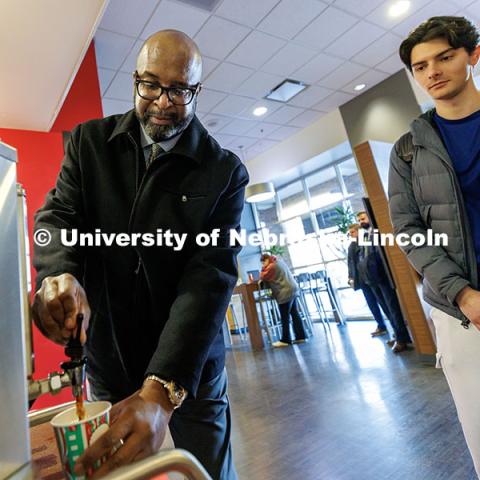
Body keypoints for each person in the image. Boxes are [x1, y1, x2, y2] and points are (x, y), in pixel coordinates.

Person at [31, 29, 248, 480]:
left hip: (188, 371)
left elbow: (209, 279)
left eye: (180, 89)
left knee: (206, 470)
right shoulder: (90, 143)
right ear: (135, 80)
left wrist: (163, 390)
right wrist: (58, 275)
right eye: (151, 84)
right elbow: (57, 220)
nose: (163, 101)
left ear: (196, 90)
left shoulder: (223, 171)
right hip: (111, 357)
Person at [388, 16, 480, 475]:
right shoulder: (408, 149)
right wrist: (464, 295)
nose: (432, 73)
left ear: (472, 55)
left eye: (445, 57)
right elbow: (407, 229)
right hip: (460, 314)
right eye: (421, 66)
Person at [356, 211, 412, 352]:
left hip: (383, 276)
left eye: (362, 218)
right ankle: (397, 334)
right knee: (386, 309)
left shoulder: (377, 233)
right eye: (359, 220)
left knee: (392, 308)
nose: (360, 222)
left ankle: (401, 338)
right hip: (372, 279)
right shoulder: (365, 236)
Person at [347, 223, 388, 337]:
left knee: (382, 302)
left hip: (371, 277)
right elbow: (351, 263)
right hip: (362, 279)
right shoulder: (352, 246)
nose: (351, 234)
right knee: (372, 304)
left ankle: (390, 326)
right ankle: (381, 325)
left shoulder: (366, 241)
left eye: (353, 232)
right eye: (350, 233)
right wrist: (351, 277)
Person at [259, 253, 307, 347]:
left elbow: (263, 277)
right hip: (293, 289)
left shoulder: (271, 267)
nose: (263, 264)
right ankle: (301, 337)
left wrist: (262, 270)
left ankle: (285, 340)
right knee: (294, 313)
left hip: (284, 292)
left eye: (263, 262)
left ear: (267, 260)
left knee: (285, 317)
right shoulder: (279, 262)